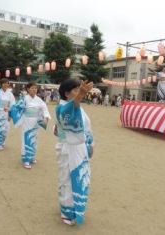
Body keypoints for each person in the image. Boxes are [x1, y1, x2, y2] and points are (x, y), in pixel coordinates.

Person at [55, 79, 94, 226]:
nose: (79, 92)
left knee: (80, 178)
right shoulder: (61, 107)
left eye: (80, 90)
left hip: (80, 148)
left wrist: (91, 143)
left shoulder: (79, 108)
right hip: (67, 148)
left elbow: (87, 126)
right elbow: (68, 111)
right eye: (76, 90)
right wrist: (81, 95)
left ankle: (76, 207)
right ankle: (66, 209)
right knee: (67, 179)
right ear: (66, 93)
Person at [10, 81, 51, 169]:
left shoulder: (39, 99)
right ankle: (26, 160)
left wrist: (45, 118)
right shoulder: (25, 99)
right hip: (27, 122)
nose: (34, 89)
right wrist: (9, 109)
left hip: (35, 122)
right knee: (26, 140)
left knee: (34, 140)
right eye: (32, 88)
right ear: (28, 89)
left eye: (35, 88)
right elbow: (16, 107)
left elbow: (44, 109)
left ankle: (31, 157)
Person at [0, 78, 15, 151]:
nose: (5, 84)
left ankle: (2, 141)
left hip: (6, 112)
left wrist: (10, 115)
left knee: (6, 129)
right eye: (4, 83)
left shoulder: (10, 94)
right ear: (0, 85)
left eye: (7, 83)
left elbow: (12, 105)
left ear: (8, 84)